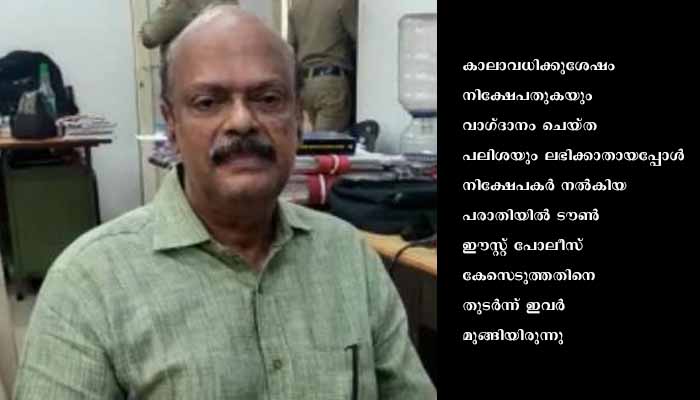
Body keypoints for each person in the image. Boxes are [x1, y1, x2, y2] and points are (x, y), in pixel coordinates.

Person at [14, 5, 436, 399]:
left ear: (298, 120)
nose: (242, 121)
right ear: (172, 125)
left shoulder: (348, 257)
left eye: (268, 99)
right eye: (208, 102)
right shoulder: (89, 284)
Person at [288, 0, 357, 132]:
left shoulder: (296, 5)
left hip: (306, 84)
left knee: (316, 138)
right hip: (331, 83)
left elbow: (290, 49)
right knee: (326, 141)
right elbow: (362, 38)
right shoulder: (342, 2)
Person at [140, 0, 239, 50]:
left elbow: (150, 36)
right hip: (227, 67)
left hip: (193, 73)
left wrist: (165, 6)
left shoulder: (183, 3)